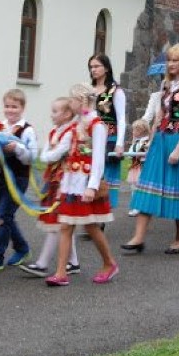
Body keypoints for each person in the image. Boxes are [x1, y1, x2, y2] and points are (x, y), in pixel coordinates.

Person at [122, 43, 179, 254]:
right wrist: (150, 142)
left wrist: (178, 149)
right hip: (160, 140)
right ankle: (139, 237)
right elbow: (159, 116)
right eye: (169, 60)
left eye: (175, 60)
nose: (171, 64)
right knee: (147, 185)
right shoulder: (165, 85)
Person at [46, 84, 117, 286]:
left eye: (74, 100)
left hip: (85, 183)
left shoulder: (96, 125)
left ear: (83, 101)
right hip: (71, 182)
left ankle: (109, 263)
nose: (71, 104)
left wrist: (92, 186)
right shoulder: (76, 123)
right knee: (66, 226)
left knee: (91, 227)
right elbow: (66, 149)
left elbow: (98, 159)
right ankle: (61, 273)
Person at [19, 97, 81, 277]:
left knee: (58, 222)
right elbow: (46, 152)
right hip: (54, 181)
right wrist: (46, 156)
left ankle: (42, 263)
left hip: (65, 182)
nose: (51, 115)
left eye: (55, 111)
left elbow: (57, 153)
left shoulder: (71, 132)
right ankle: (74, 262)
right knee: (64, 223)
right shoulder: (54, 131)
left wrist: (46, 157)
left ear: (68, 114)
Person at [0, 88, 37, 272]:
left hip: (18, 178)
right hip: (0, 176)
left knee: (4, 216)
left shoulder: (27, 130)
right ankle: (22, 248)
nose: (10, 110)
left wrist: (17, 149)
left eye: (15, 107)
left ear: (22, 108)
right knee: (4, 216)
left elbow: (31, 157)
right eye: (7, 106)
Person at [90, 53, 126, 209]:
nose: (93, 70)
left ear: (106, 68)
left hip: (109, 137)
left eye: (97, 66)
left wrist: (119, 143)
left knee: (107, 177)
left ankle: (103, 213)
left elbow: (122, 118)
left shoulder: (115, 91)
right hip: (91, 138)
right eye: (91, 67)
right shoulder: (89, 90)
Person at [125, 119, 151, 216]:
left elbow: (144, 153)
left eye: (135, 130)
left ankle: (141, 207)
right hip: (136, 168)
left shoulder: (146, 142)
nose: (133, 132)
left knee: (142, 188)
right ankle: (136, 206)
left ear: (141, 131)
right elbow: (130, 154)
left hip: (143, 168)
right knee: (134, 187)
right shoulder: (136, 142)